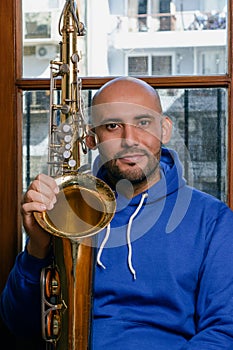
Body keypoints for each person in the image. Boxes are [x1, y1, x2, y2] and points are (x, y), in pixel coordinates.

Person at [1, 76, 233, 349]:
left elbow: (223, 330)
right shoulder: (66, 210)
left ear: (165, 129)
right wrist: (37, 247)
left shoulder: (213, 220)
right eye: (113, 126)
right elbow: (19, 325)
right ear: (91, 138)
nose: (129, 140)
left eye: (143, 123)